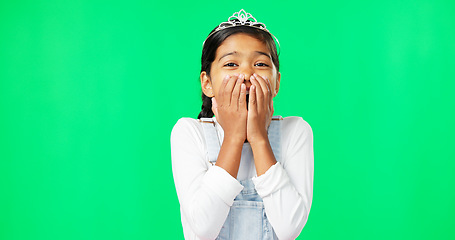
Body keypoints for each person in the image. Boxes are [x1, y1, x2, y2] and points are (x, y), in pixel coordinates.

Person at [171, 9, 314, 240]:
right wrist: (234, 136)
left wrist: (258, 137)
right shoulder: (189, 132)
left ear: (276, 83)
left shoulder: (296, 131)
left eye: (260, 64)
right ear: (207, 83)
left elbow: (289, 229)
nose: (247, 73)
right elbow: (204, 229)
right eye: (231, 64)